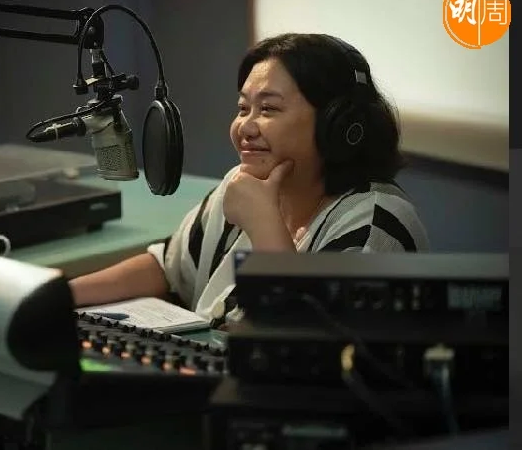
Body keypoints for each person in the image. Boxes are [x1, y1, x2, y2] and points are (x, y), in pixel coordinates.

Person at [70, 33, 429, 324]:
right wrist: (60, 295)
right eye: (243, 108)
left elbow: (307, 344)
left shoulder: (376, 223)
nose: (245, 127)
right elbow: (169, 268)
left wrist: (263, 223)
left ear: (337, 125)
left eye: (268, 109)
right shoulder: (243, 184)